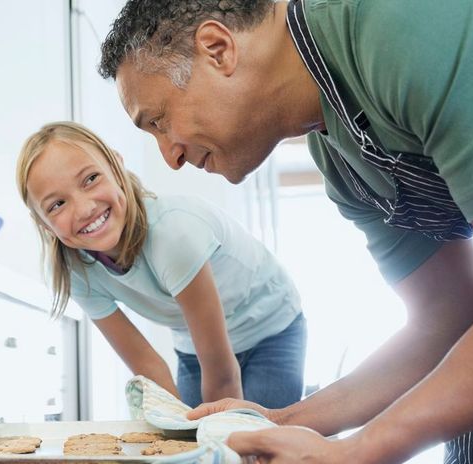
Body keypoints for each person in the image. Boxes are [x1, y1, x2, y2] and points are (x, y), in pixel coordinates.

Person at [97, 0, 473, 464]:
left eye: (158, 121)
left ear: (217, 49)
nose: (169, 157)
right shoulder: (343, 165)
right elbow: (449, 318)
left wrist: (362, 450)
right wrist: (279, 421)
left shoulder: (398, 26)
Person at [16, 121, 307, 410]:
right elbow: (146, 363)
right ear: (44, 224)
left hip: (271, 327)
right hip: (193, 345)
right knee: (185, 433)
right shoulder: (75, 272)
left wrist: (220, 441)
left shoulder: (173, 234)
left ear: (116, 166)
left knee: (261, 442)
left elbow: (222, 375)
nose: (84, 208)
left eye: (91, 179)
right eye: (57, 205)